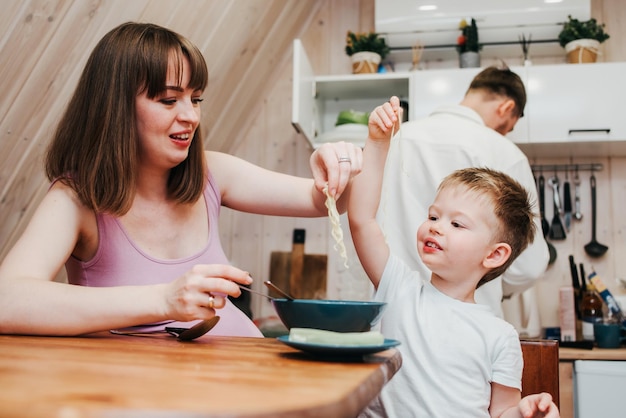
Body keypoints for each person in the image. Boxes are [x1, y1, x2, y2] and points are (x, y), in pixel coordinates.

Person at [0, 22, 363, 337]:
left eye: (196, 98)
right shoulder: (75, 198)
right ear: (115, 107)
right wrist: (164, 299)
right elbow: (7, 301)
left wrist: (339, 162)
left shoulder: (213, 173)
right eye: (169, 100)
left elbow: (327, 200)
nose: (190, 116)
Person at [348, 97, 559, 418]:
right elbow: (362, 220)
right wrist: (377, 143)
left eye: (456, 223)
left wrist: (525, 413)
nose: (436, 228)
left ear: (495, 255)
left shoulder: (500, 336)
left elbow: (502, 411)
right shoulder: (398, 288)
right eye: (433, 217)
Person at [376, 65, 549, 318]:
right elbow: (529, 267)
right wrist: (485, 278)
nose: (503, 133)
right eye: (506, 127)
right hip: (470, 320)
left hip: (391, 317)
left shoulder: (395, 139)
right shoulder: (505, 153)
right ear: (506, 108)